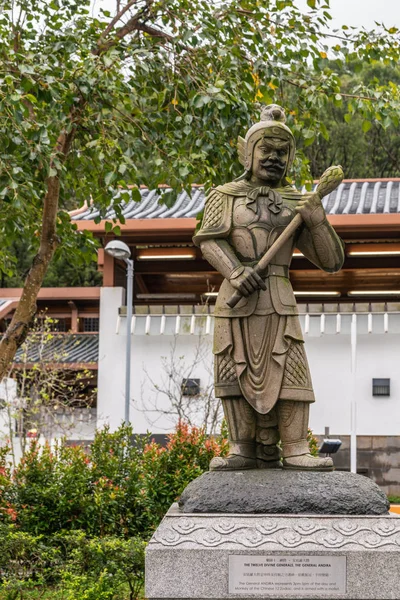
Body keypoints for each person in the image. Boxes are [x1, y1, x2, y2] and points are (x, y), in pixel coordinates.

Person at [193, 105, 344, 471]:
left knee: (290, 367)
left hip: (279, 297)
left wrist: (317, 219)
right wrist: (234, 271)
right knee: (234, 368)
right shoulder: (224, 195)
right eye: (267, 150)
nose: (274, 158)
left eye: (282, 152)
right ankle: (241, 447)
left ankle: (294, 447)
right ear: (248, 152)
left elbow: (332, 261)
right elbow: (209, 241)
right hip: (237, 299)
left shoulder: (297, 202)